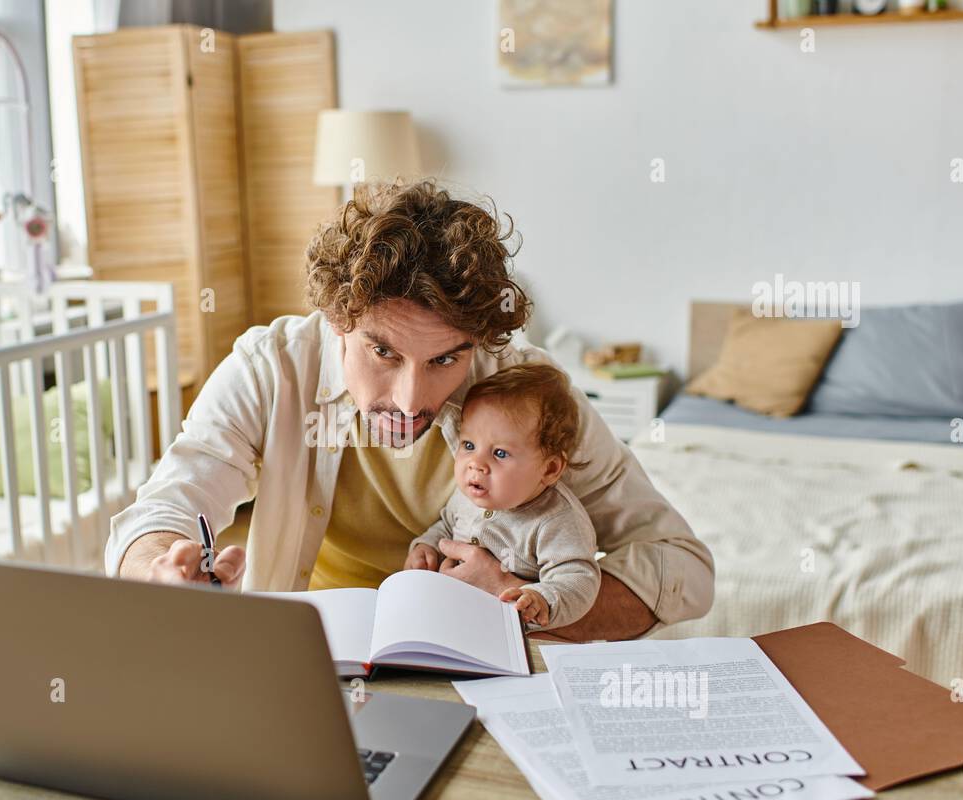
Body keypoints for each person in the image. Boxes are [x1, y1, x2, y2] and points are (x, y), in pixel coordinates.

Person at [107, 179, 714, 642]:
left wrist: (519, 604)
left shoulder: (528, 393)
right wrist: (159, 572)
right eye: (383, 351)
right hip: (311, 654)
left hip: (485, 666)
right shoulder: (271, 369)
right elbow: (166, 508)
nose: (409, 400)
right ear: (337, 319)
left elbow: (681, 565)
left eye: (447, 359)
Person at [406, 363, 598, 630]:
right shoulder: (470, 494)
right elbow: (447, 525)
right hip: (452, 618)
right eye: (469, 445)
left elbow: (579, 578)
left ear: (550, 468)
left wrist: (541, 598)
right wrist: (426, 546)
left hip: (511, 636)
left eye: (499, 453)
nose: (476, 464)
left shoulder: (555, 520)